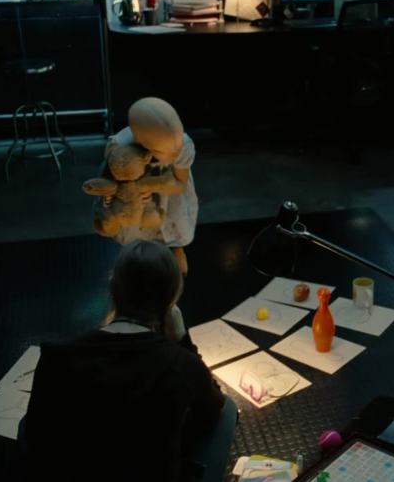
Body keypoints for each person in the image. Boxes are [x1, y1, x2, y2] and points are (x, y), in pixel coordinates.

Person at [22, 240, 236, 482]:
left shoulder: (57, 356)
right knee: (228, 410)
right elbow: (214, 405)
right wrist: (183, 340)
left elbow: (36, 436)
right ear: (170, 303)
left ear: (112, 288)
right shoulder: (181, 364)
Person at [102, 97, 199, 275]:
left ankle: (176, 246)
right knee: (134, 228)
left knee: (174, 220)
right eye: (164, 151)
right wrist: (109, 193)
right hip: (134, 199)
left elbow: (180, 184)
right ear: (142, 142)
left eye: (177, 146)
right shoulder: (120, 148)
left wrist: (152, 185)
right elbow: (110, 176)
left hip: (169, 193)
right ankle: (134, 254)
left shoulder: (182, 146)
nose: (174, 154)